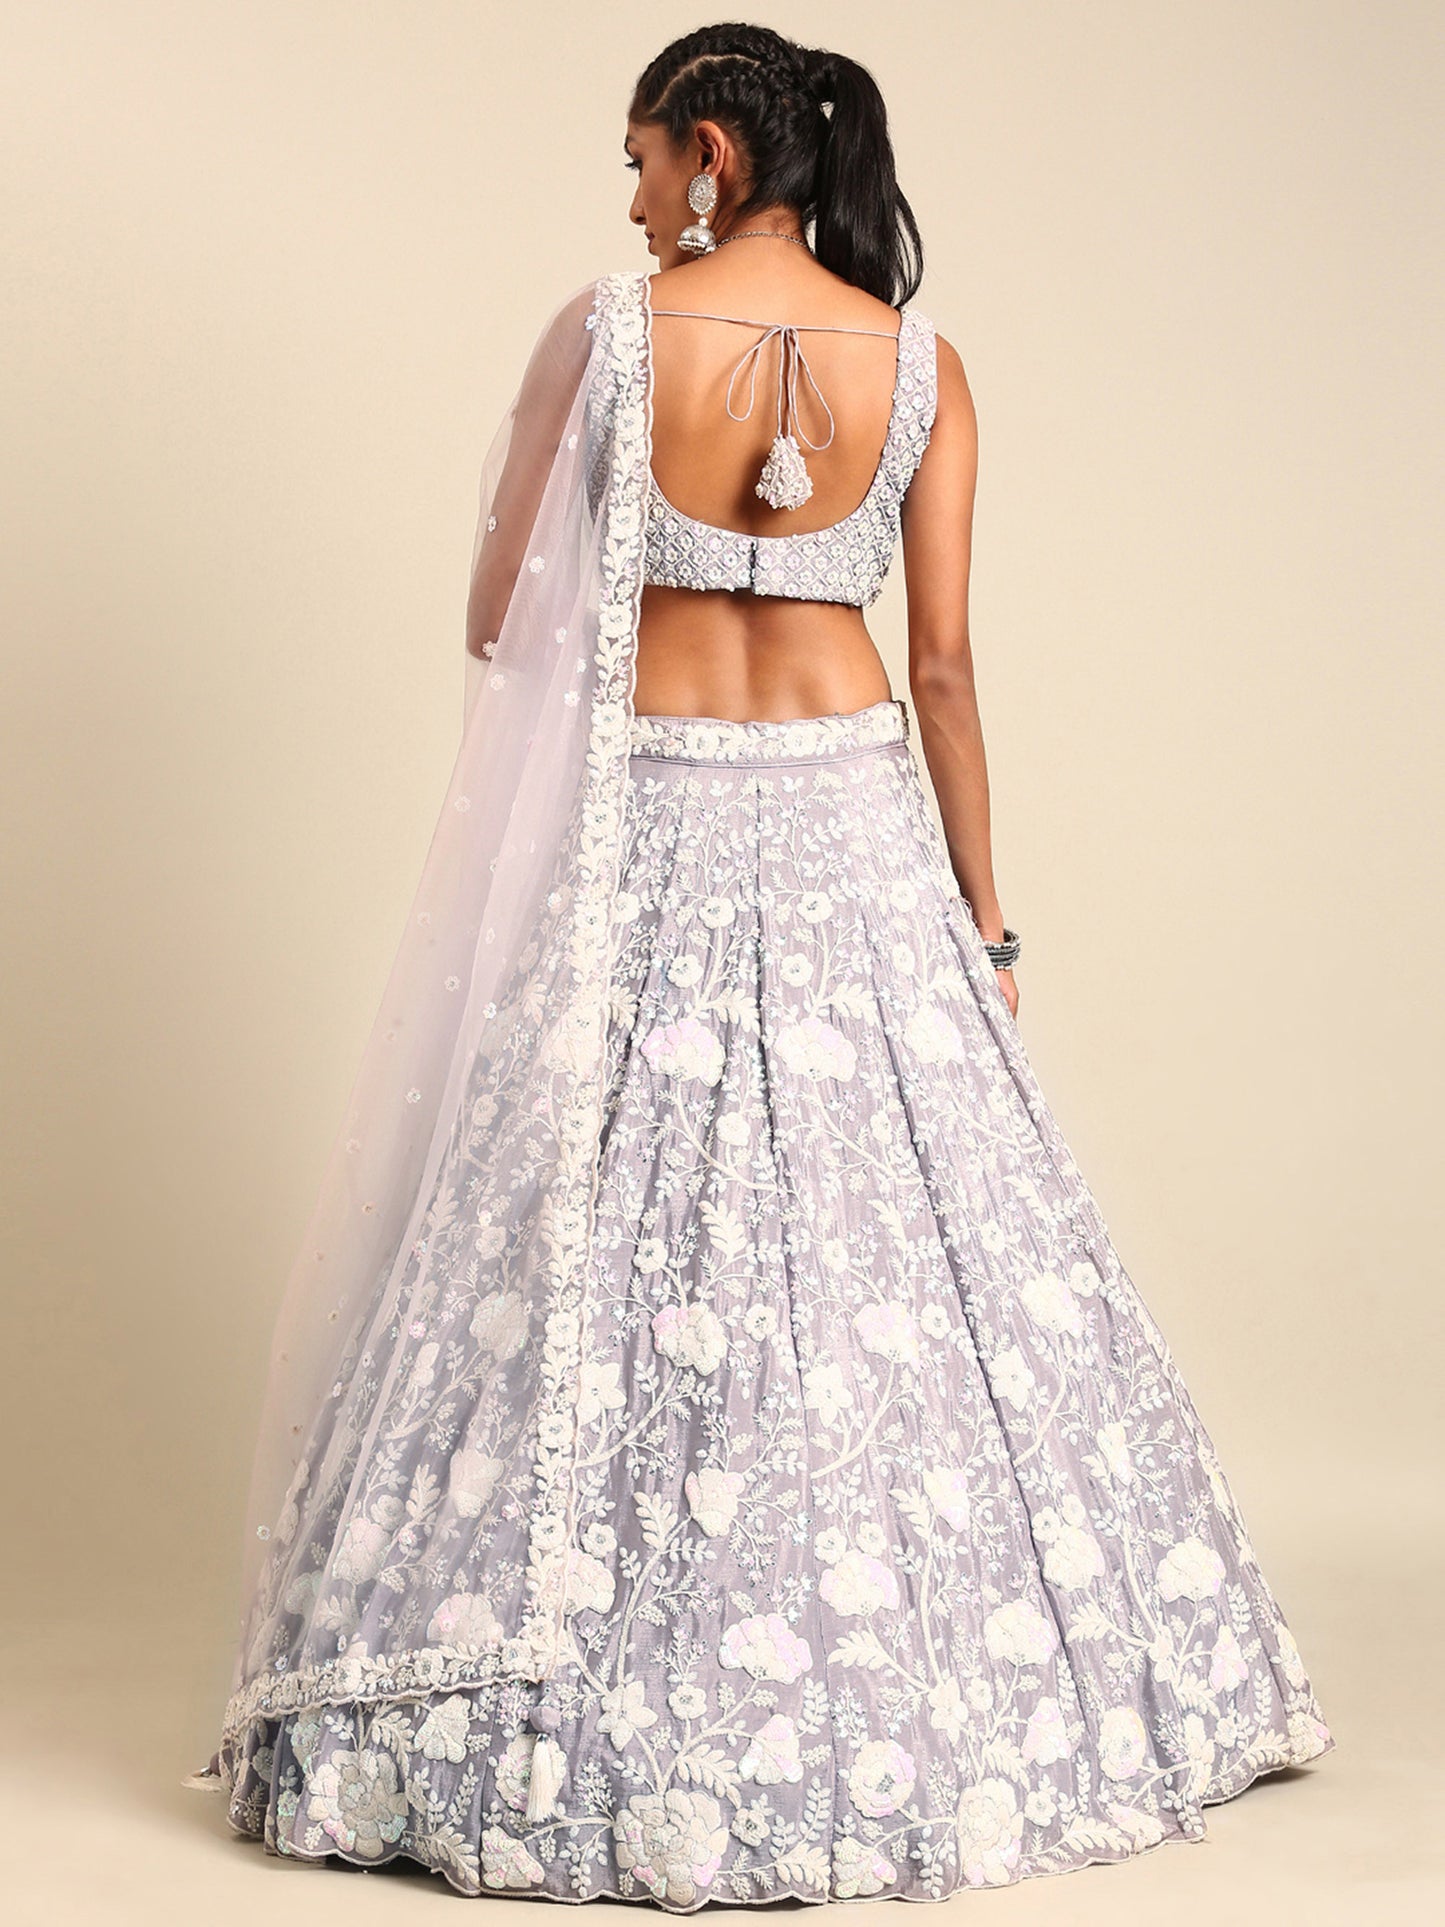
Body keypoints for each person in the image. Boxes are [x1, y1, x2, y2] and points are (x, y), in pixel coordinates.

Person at [189, 22, 1333, 1908]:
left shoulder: (604, 336)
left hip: (649, 811)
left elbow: (499, 617)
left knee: (605, 1214)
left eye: (641, 160)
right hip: (853, 818)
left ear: (711, 153)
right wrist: (985, 924)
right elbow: (943, 666)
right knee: (877, 1226)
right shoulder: (925, 363)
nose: (634, 200)